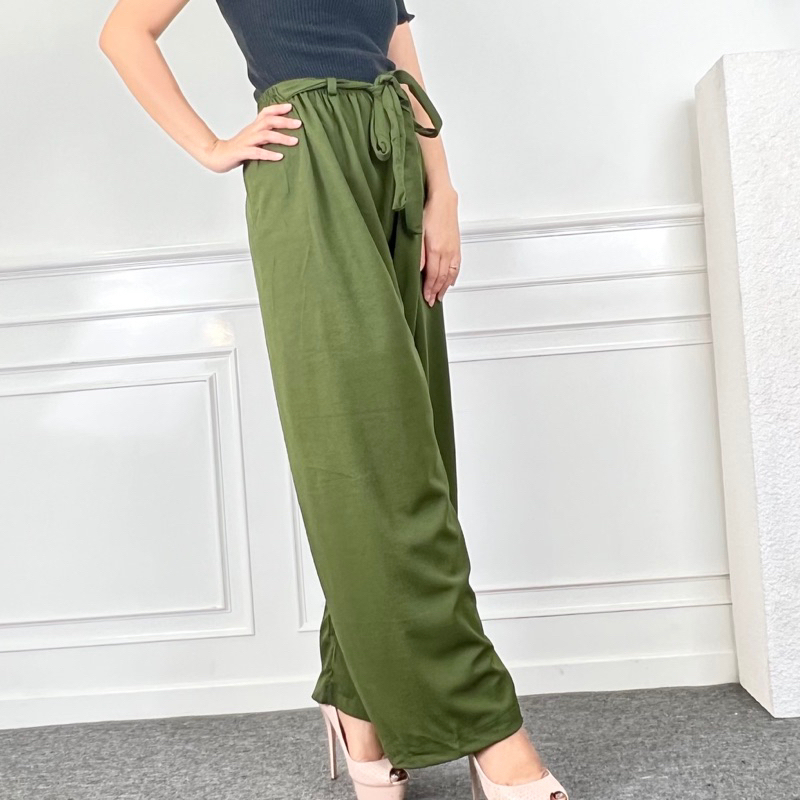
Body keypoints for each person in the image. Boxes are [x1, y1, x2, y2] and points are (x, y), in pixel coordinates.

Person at [98, 2, 569, 799]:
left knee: (414, 450)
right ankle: (489, 727)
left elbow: (399, 51)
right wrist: (210, 147)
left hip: (398, 160)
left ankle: (357, 709)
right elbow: (122, 32)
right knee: (375, 457)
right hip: (308, 165)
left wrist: (443, 191)